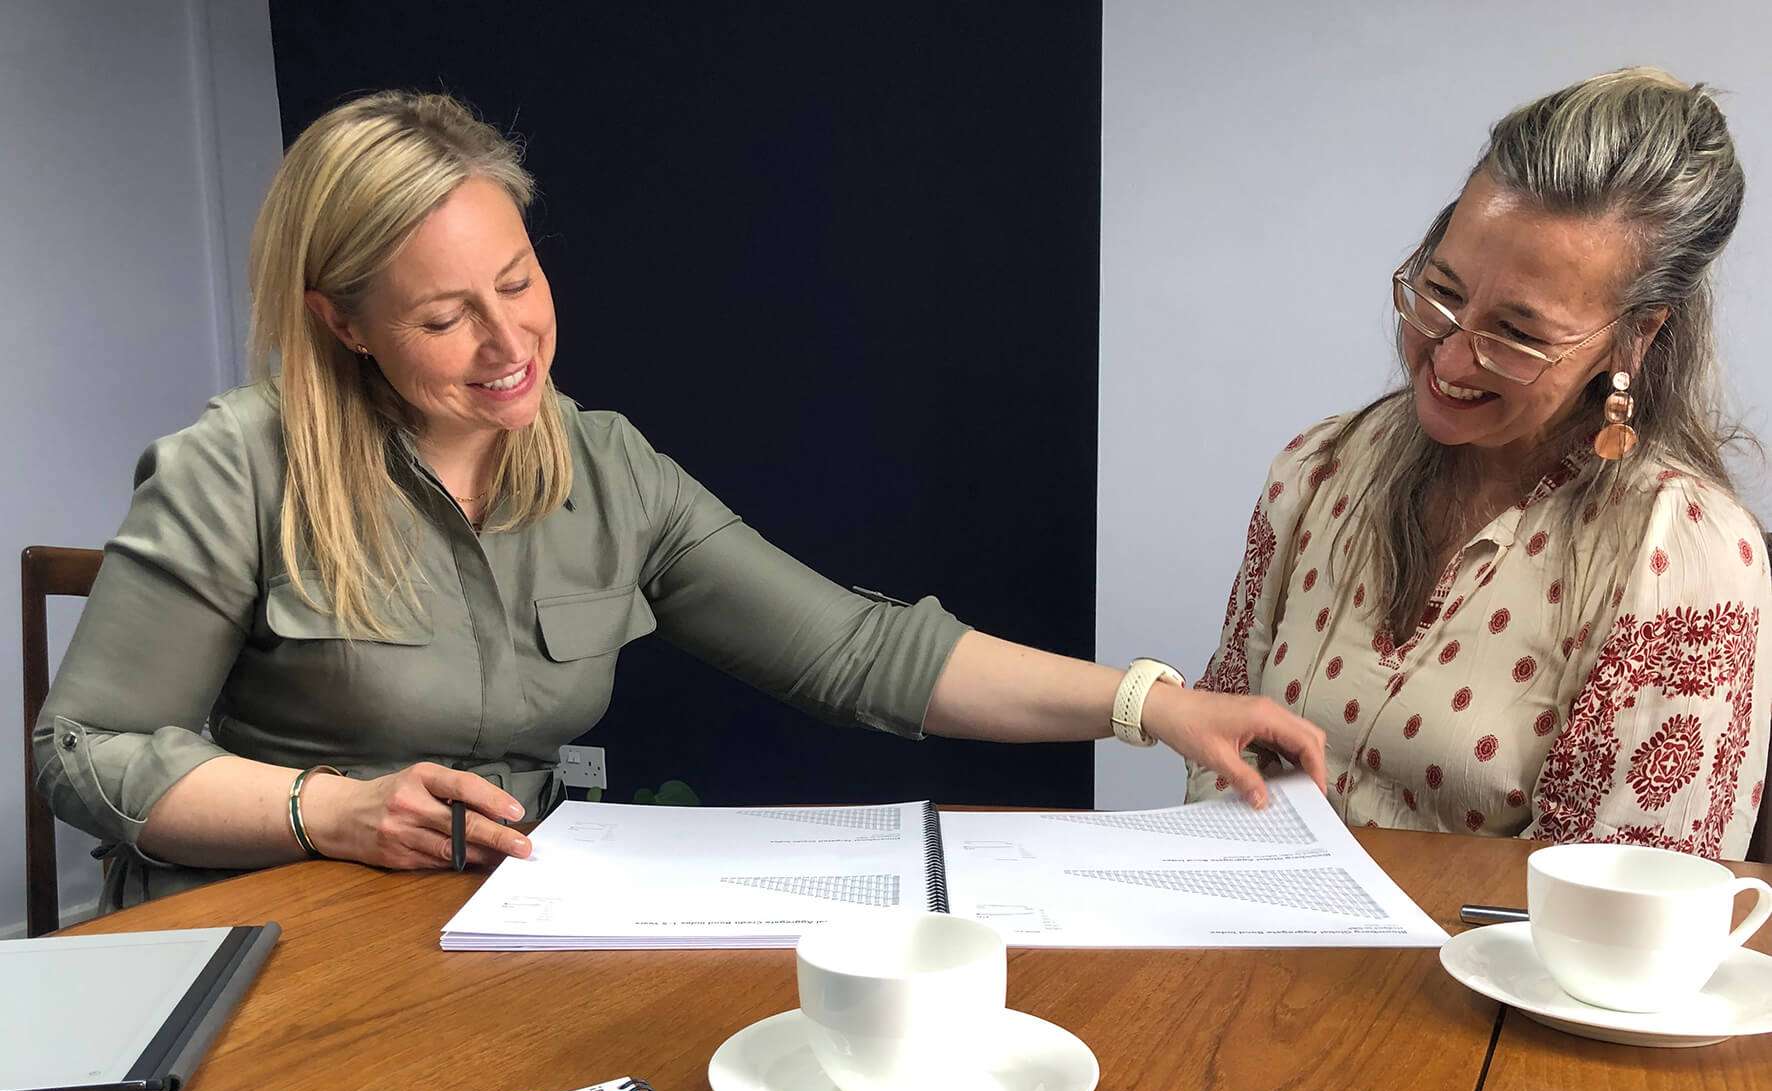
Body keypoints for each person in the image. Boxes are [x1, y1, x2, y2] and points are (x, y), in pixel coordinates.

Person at [37, 91, 1325, 911]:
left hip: (484, 924)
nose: (509, 343)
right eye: (443, 317)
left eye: (518, 281)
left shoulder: (606, 466)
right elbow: (83, 750)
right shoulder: (234, 465)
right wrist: (327, 809)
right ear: (342, 323)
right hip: (261, 927)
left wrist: (1151, 707)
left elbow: (858, 650)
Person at [1188, 68, 1770, 859]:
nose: (1451, 357)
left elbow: (1619, 896)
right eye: (1442, 291)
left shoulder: (1681, 558)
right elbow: (1218, 746)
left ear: (1634, 339)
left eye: (1518, 333)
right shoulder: (1321, 472)